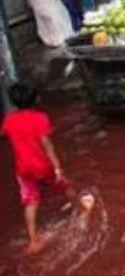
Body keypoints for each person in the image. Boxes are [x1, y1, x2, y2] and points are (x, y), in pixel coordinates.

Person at [1, 81, 94, 254]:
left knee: (30, 201)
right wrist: (57, 167)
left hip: (23, 169)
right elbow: (47, 145)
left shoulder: (8, 120)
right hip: (43, 166)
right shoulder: (40, 118)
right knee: (65, 187)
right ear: (36, 99)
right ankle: (83, 210)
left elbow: (6, 136)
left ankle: (33, 241)